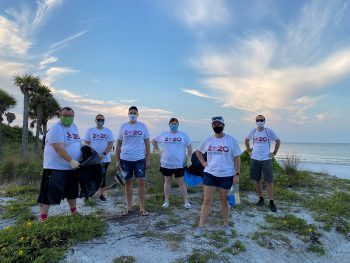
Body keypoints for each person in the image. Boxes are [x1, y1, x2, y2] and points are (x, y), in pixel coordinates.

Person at [194, 116, 241, 237]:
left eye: (219, 124)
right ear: (212, 126)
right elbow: (198, 152)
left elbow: (237, 158)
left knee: (224, 201)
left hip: (226, 175)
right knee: (207, 200)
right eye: (214, 124)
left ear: (223, 125)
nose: (216, 126)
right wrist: (203, 163)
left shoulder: (231, 140)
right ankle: (200, 226)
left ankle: (226, 225)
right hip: (210, 174)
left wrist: (236, 174)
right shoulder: (208, 140)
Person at [37, 107, 81, 222]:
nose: (68, 118)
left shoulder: (74, 127)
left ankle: (74, 212)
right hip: (54, 167)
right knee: (47, 193)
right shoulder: (56, 129)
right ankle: (43, 218)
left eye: (70, 116)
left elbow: (76, 144)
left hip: (70, 168)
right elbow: (59, 149)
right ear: (60, 116)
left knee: (72, 191)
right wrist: (71, 160)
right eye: (65, 115)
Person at [116, 106, 151, 216]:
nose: (132, 114)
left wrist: (148, 158)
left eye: (134, 113)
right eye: (131, 113)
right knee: (128, 182)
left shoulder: (143, 126)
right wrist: (117, 160)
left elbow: (147, 143)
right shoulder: (124, 126)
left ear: (138, 114)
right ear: (128, 114)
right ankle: (129, 207)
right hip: (125, 158)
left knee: (141, 182)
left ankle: (142, 208)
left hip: (139, 159)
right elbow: (118, 144)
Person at [152, 117, 192, 209]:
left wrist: (189, 158)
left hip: (179, 163)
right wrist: (157, 149)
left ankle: (186, 202)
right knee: (167, 182)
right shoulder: (164, 134)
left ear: (178, 125)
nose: (173, 125)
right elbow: (153, 140)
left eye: (175, 124)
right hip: (166, 163)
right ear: (169, 125)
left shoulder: (183, 135)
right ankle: (166, 201)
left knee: (181, 183)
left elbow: (189, 146)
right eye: (172, 124)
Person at [244, 114, 281, 212]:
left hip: (266, 159)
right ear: (255, 121)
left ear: (265, 121)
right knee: (257, 180)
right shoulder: (253, 131)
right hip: (255, 158)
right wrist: (248, 151)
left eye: (261, 120)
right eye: (258, 120)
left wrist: (274, 153)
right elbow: (246, 140)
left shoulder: (268, 131)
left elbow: (278, 141)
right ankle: (261, 199)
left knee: (269, 181)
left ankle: (271, 202)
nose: (259, 121)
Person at [84, 114, 114, 202]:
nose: (100, 121)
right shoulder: (90, 131)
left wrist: (104, 154)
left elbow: (111, 144)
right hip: (92, 159)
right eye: (98, 119)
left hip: (105, 159)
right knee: (91, 177)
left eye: (102, 119)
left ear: (104, 120)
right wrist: (91, 153)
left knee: (102, 177)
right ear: (95, 120)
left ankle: (101, 195)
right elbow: (86, 142)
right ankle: (88, 194)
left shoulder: (108, 131)